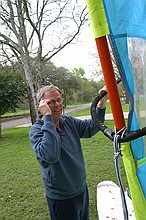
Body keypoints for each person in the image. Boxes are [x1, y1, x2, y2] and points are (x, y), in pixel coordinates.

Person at [29, 84, 108, 220]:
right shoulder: (36, 131)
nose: (57, 105)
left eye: (59, 100)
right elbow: (51, 154)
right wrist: (47, 117)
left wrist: (101, 104)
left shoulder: (67, 121)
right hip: (61, 198)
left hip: (81, 190)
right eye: (51, 102)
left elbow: (92, 127)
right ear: (41, 105)